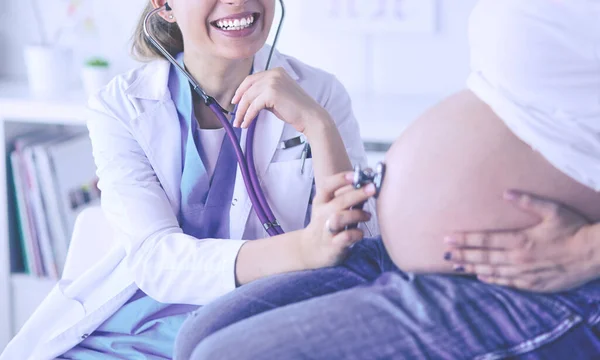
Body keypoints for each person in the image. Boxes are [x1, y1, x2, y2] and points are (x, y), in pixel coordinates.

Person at [173, 0, 600, 358]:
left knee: (226, 355)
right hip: (420, 257)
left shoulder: (315, 86)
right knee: (197, 337)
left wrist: (585, 252)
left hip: (541, 275)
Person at [0, 0, 378, 359]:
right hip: (137, 328)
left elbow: (365, 243)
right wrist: (304, 250)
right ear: (164, 5)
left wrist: (317, 124)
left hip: (262, 320)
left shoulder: (319, 94)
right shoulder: (120, 107)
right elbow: (155, 259)